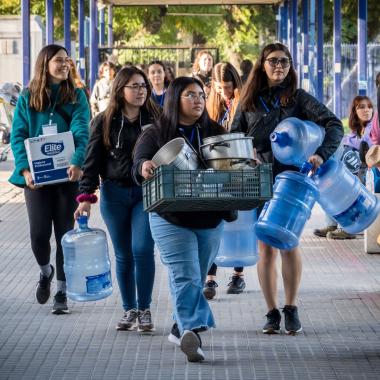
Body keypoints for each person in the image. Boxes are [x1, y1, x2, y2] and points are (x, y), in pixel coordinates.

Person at [231, 42, 343, 335]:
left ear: (290, 65)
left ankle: (291, 308)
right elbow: (233, 137)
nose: (279, 66)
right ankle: (271, 313)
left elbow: (334, 125)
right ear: (262, 64)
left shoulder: (299, 98)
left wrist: (321, 154)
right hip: (258, 180)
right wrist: (246, 153)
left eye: (284, 61)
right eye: (273, 61)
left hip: (292, 182)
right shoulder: (249, 101)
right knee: (265, 248)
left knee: (289, 244)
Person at [132, 77, 233, 362]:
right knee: (185, 274)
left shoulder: (215, 131)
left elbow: (232, 166)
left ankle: (179, 325)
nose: (198, 99)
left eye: (201, 94)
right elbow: (138, 161)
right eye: (190, 94)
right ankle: (191, 332)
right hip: (169, 217)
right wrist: (145, 166)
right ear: (175, 99)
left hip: (210, 218)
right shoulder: (156, 132)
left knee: (195, 278)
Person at [74, 66, 161, 332]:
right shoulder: (104, 121)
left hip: (147, 193)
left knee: (143, 250)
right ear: (120, 90)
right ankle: (129, 309)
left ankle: (144, 309)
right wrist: (86, 197)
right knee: (123, 255)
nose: (140, 91)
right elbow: (91, 161)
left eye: (143, 86)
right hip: (114, 193)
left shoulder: (156, 118)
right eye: (134, 86)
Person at [9, 44, 90, 314]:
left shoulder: (77, 96)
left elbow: (82, 131)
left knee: (65, 235)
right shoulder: (27, 97)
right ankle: (46, 271)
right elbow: (17, 135)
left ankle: (62, 292)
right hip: (37, 179)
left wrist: (78, 162)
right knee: (39, 235)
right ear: (45, 64)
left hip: (68, 179)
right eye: (59, 60)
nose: (65, 64)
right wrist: (25, 170)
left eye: (68, 60)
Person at [203, 62, 245, 299]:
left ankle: (238, 275)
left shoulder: (244, 102)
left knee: (238, 222)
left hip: (239, 171)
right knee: (213, 223)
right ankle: (210, 278)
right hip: (217, 169)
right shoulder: (212, 103)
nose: (223, 92)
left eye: (227, 87)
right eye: (218, 88)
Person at [314, 95, 374, 240]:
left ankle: (349, 227)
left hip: (370, 171)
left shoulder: (374, 129)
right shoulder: (351, 136)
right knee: (330, 184)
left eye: (369, 106)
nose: (366, 110)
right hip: (356, 171)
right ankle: (332, 223)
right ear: (354, 111)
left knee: (345, 185)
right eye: (361, 107)